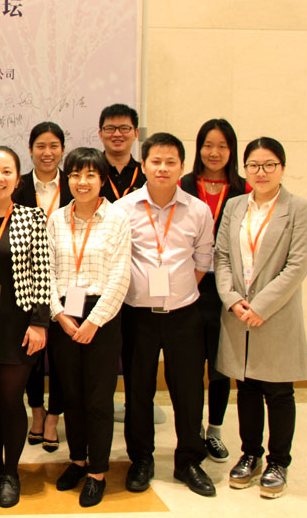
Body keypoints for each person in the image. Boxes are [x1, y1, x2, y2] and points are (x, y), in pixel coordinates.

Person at [114, 132, 217, 497]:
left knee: (188, 391)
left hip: (183, 315)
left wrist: (178, 290)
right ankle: (141, 459)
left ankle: (189, 460)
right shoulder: (123, 209)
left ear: (182, 166)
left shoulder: (198, 210)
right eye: (155, 161)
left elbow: (203, 260)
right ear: (143, 165)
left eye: (170, 162)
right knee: (138, 391)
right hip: (137, 316)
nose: (162, 168)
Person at [215, 137, 307, 499]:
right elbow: (221, 257)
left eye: (269, 165)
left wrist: (261, 306)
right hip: (238, 313)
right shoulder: (235, 206)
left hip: (276, 314)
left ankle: (278, 462)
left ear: (282, 168)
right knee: (247, 388)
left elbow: (297, 265)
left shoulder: (298, 208)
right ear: (245, 169)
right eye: (254, 165)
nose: (261, 172)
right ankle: (250, 455)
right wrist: (233, 300)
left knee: (279, 391)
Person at [47, 148, 131, 507]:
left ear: (102, 180)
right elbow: (47, 271)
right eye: (75, 175)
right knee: (72, 395)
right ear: (68, 180)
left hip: (102, 317)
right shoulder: (57, 220)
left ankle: (97, 471)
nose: (82, 182)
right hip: (65, 315)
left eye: (90, 175)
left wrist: (94, 321)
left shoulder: (117, 218)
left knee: (98, 399)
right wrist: (59, 315)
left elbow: (121, 275)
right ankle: (77, 461)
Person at [0, 146, 51, 508]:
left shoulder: (32, 218)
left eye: (6, 172)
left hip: (17, 323)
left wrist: (40, 323)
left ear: (17, 179)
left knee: (10, 397)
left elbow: (43, 272)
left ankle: (12, 473)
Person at [179, 119, 250, 462]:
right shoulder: (184, 184)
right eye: (208, 145)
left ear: (232, 150)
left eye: (222, 146)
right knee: (191, 364)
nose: (214, 152)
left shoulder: (243, 189)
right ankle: (191, 429)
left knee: (220, 364)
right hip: (189, 284)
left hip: (227, 286)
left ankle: (215, 431)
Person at [11, 121, 72, 453]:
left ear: (62, 149)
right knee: (31, 353)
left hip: (67, 283)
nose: (47, 153)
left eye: (54, 146)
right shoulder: (16, 186)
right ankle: (36, 411)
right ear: (30, 149)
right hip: (29, 282)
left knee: (62, 356)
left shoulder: (76, 184)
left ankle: (53, 417)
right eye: (40, 146)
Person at [97, 103, 145, 202]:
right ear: (101, 134)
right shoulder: (90, 172)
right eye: (110, 128)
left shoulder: (146, 174)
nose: (117, 134)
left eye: (124, 128)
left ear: (136, 134)